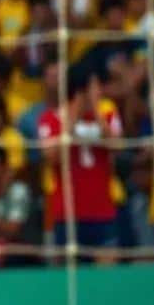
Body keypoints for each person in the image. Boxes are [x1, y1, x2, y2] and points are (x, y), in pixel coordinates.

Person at [38, 70, 123, 264]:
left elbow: (118, 148)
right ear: (80, 91)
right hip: (66, 214)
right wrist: (74, 116)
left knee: (106, 282)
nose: (100, 92)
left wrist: (96, 112)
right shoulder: (51, 118)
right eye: (95, 88)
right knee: (70, 281)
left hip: (102, 212)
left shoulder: (108, 115)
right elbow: (50, 156)